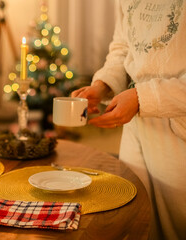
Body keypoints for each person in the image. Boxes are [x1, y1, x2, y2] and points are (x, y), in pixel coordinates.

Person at [71, 0, 186, 239]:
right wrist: (103, 85)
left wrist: (141, 97)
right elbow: (123, 48)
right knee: (136, 220)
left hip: (179, 133)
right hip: (136, 128)